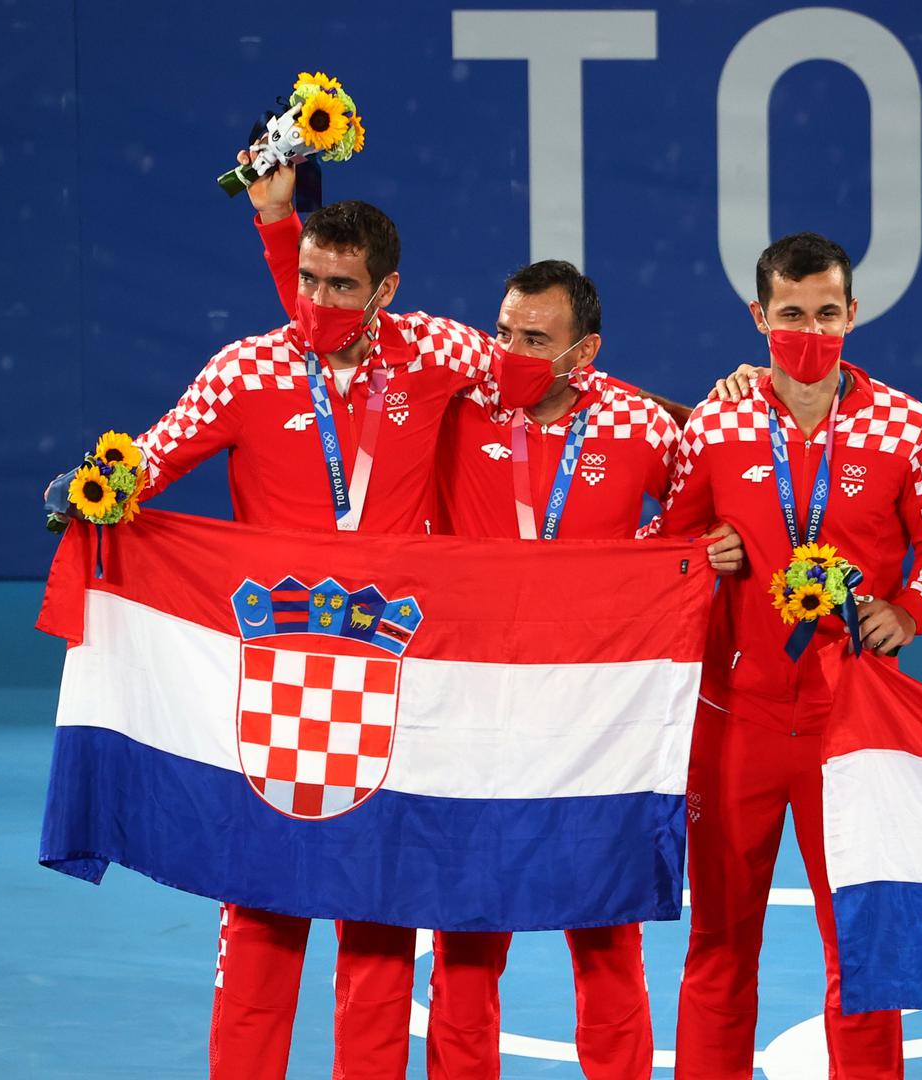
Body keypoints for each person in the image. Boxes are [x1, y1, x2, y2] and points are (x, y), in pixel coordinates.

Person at [116, 195, 554, 1080]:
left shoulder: (435, 353)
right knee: (260, 936)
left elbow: (544, 376)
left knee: (380, 947)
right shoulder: (244, 370)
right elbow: (148, 460)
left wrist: (730, 398)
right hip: (273, 695)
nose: (317, 300)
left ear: (385, 290)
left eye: (342, 286)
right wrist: (92, 487)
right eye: (308, 278)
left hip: (388, 690)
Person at [426, 258, 744, 1080]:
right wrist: (278, 225)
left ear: (585, 351)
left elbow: (714, 498)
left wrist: (745, 400)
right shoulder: (454, 407)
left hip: (595, 716)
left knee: (606, 935)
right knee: (466, 939)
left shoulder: (640, 425)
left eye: (536, 340)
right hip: (476, 710)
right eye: (504, 333)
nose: (511, 353)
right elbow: (347, 338)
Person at [653, 232, 922, 1079]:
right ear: (759, 318)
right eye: (791, 315)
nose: (810, 332)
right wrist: (695, 556)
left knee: (861, 948)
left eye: (827, 313)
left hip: (854, 723)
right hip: (735, 722)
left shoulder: (908, 427)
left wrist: (910, 610)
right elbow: (662, 544)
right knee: (719, 944)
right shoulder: (716, 422)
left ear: (853, 313)